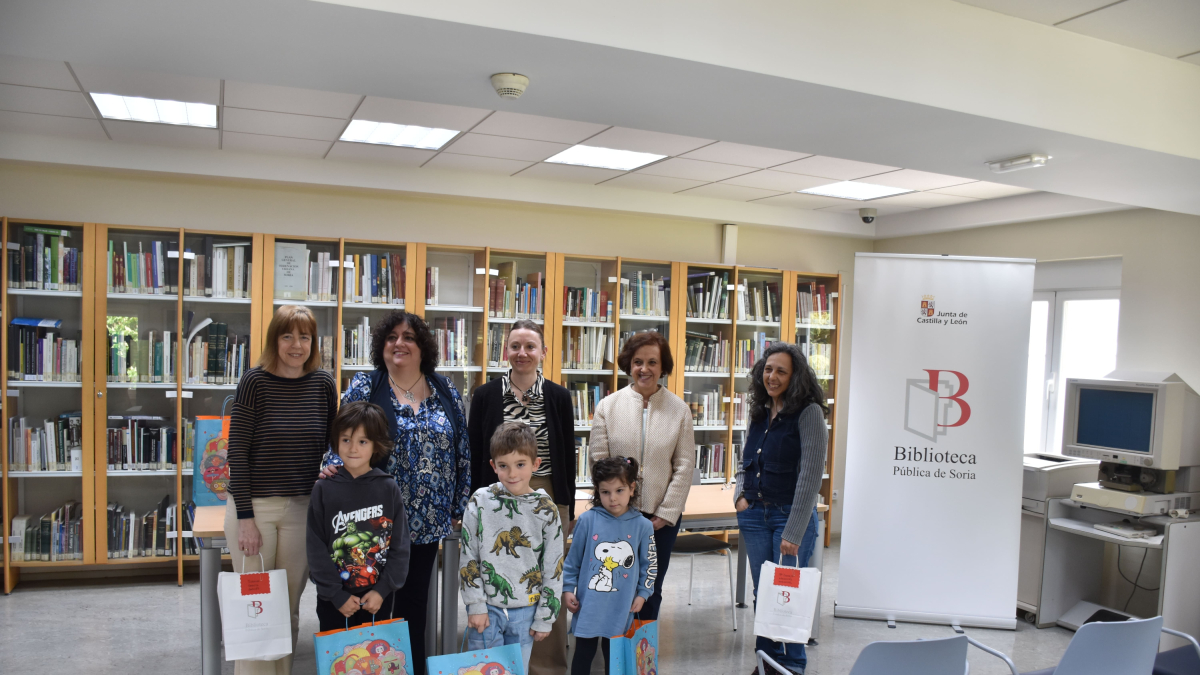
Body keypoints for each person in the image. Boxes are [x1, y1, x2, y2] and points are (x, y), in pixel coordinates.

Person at [332, 309, 470, 675]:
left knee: (413, 606)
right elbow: (342, 435)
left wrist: (459, 502)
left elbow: (462, 450)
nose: (399, 343)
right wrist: (332, 466)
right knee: (369, 605)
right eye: (392, 337)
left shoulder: (444, 389)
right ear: (382, 345)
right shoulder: (368, 385)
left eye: (408, 337)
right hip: (372, 522)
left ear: (423, 346)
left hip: (426, 523)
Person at [224, 305, 338, 675]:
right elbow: (236, 452)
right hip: (254, 509)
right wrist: (245, 519)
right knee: (256, 608)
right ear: (275, 339)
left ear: (313, 342)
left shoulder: (323, 384)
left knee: (287, 609)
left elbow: (329, 444)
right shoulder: (254, 382)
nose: (296, 345)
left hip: (301, 510)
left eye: (304, 337)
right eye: (287, 335)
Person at [467, 319, 575, 675]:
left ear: (542, 352)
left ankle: (545, 667)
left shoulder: (558, 396)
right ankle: (499, 663)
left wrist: (568, 508)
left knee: (546, 577)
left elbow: (566, 455)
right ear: (506, 351)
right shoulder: (485, 395)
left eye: (530, 346)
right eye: (515, 346)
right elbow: (474, 450)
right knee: (500, 570)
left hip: (546, 495)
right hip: (498, 497)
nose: (522, 353)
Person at [734, 343, 828, 675]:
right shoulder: (759, 410)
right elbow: (746, 459)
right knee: (765, 595)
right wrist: (739, 496)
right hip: (755, 516)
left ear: (795, 376)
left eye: (781, 371)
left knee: (787, 596)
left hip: (789, 518)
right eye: (768, 369)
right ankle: (766, 663)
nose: (772, 376)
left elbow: (811, 475)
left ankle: (792, 667)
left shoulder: (809, 413)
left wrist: (795, 530)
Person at [589, 330, 693, 621]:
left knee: (650, 587)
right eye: (638, 362)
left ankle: (640, 656)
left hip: (660, 520)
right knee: (612, 583)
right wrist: (615, 507)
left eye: (652, 362)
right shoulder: (608, 406)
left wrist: (666, 513)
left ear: (663, 367)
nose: (644, 369)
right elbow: (598, 459)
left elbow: (684, 465)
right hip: (616, 515)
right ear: (628, 365)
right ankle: (613, 650)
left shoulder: (680, 411)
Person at [459, 422, 564, 673]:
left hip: (526, 612)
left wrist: (545, 617)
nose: (512, 474)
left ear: (535, 464)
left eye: (520, 465)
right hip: (486, 609)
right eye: (503, 466)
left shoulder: (546, 509)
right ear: (493, 466)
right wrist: (475, 605)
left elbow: (554, 565)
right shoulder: (479, 501)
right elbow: (469, 555)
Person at [307, 401, 411, 632]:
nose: (353, 448)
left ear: (376, 445)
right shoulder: (323, 489)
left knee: (376, 660)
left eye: (362, 441)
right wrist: (335, 594)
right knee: (336, 661)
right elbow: (315, 548)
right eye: (346, 440)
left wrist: (383, 590)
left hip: (377, 598)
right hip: (333, 599)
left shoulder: (388, 487)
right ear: (336, 442)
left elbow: (400, 545)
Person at [563, 457, 657, 675]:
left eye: (619, 490)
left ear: (632, 489)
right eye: (605, 492)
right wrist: (567, 589)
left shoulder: (643, 526)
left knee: (615, 660)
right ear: (597, 491)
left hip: (621, 608)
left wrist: (643, 594)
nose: (612, 498)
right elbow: (572, 561)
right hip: (588, 606)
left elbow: (649, 566)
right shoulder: (587, 521)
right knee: (583, 654)